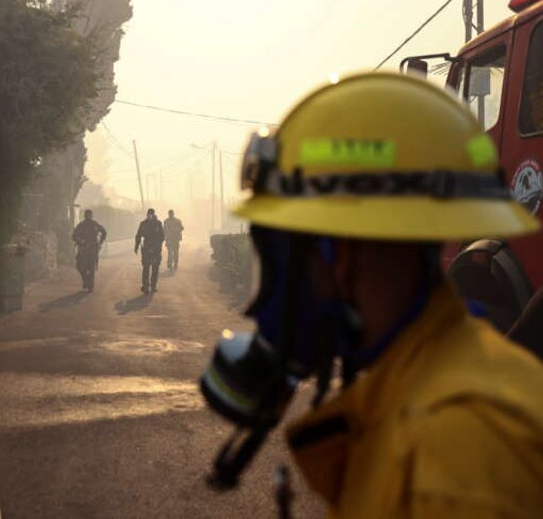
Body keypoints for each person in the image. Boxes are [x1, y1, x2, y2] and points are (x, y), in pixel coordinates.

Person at [214, 73, 543, 517]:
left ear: (340, 257)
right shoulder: (419, 392)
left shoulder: (456, 450)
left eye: (279, 261)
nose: (262, 302)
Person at [72, 209, 106, 292]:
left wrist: (99, 242)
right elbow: (74, 236)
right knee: (81, 267)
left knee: (88, 268)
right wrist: (80, 241)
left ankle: (89, 285)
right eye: (87, 215)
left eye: (89, 215)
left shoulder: (91, 224)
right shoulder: (83, 225)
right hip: (84, 249)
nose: (88, 217)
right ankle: (87, 282)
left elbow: (104, 232)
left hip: (90, 249)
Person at [134, 208, 164, 293]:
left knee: (153, 268)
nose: (150, 215)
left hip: (154, 249)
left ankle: (151, 286)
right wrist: (136, 246)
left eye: (151, 214)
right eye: (149, 214)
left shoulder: (157, 224)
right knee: (148, 268)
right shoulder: (144, 224)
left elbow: (162, 237)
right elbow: (139, 235)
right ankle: (147, 286)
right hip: (149, 249)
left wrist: (157, 246)